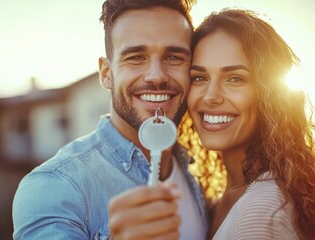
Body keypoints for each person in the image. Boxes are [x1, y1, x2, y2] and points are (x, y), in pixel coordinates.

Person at [109, 8, 315, 240]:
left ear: (269, 94)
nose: (211, 96)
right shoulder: (218, 196)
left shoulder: (259, 212)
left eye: (235, 78)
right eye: (200, 78)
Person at [12, 0, 208, 239]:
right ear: (106, 74)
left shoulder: (197, 175)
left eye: (173, 57)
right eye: (136, 57)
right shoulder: (55, 185)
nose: (156, 76)